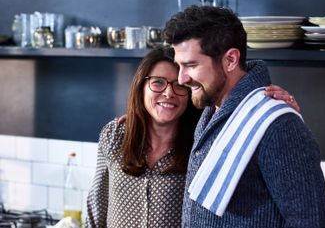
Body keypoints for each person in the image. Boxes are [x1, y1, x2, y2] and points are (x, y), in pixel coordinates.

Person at [84, 47, 300, 228]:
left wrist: (281, 108)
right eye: (158, 82)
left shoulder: (205, 142)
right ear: (141, 87)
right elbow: (96, 209)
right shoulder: (114, 135)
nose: (169, 93)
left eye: (179, 85)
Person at [163, 5, 325, 228]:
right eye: (179, 66)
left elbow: (313, 223)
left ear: (231, 60)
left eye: (191, 65)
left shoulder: (278, 126)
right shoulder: (210, 109)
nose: (182, 78)